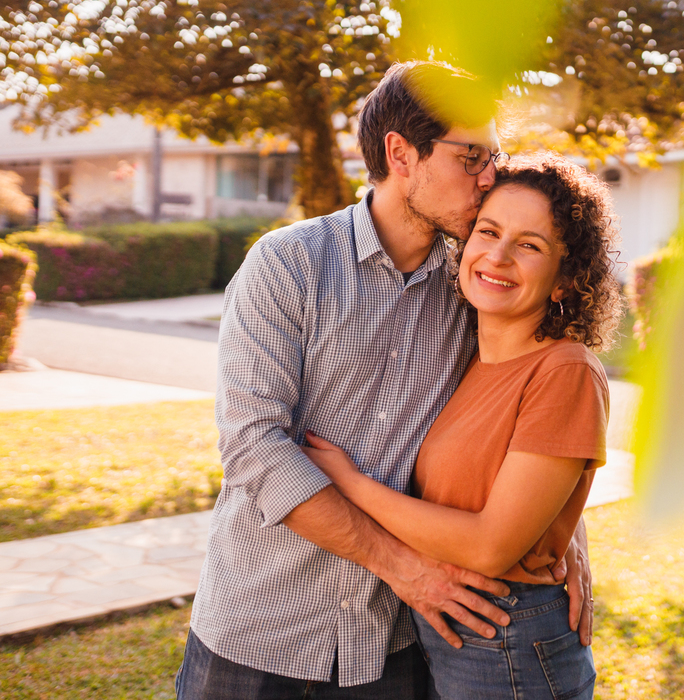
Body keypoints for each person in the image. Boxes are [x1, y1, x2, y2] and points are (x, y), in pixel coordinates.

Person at [177, 62, 593, 699]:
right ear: (401, 154)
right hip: (263, 629)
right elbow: (254, 448)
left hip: (395, 645)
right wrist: (404, 568)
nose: (489, 177)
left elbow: (530, 412)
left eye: (494, 157)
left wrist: (565, 535)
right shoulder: (288, 264)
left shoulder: (475, 283)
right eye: (471, 157)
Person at [302, 152, 622, 700]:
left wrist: (348, 482)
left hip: (509, 641)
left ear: (565, 280)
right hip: (457, 638)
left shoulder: (565, 372)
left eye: (529, 245)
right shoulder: (470, 357)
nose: (497, 256)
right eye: (488, 232)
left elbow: (490, 546)